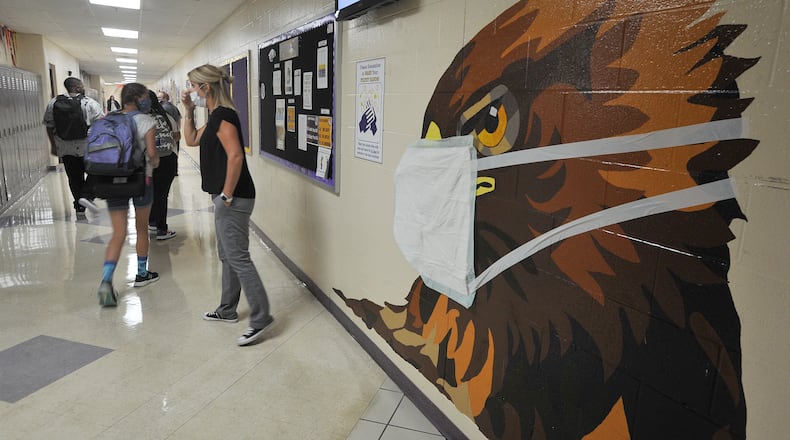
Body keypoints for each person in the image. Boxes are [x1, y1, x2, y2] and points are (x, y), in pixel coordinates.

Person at [181, 64, 273, 346]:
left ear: (206, 87)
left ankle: (261, 318)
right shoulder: (214, 116)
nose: (191, 91)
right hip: (226, 196)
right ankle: (227, 309)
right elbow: (191, 139)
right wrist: (188, 111)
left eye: (193, 86)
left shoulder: (224, 116)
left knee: (239, 258)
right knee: (227, 255)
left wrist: (227, 196)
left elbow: (235, 157)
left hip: (233, 197)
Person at [96, 82, 161, 306]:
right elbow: (152, 154)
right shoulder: (146, 121)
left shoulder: (108, 119)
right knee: (142, 229)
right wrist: (155, 162)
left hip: (113, 181)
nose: (148, 100)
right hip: (141, 180)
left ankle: (106, 281)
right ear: (137, 98)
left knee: (118, 233)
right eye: (145, 96)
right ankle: (141, 274)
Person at [43, 77, 103, 219]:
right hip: (88, 147)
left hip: (65, 148)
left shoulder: (53, 103)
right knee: (97, 173)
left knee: (74, 178)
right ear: (77, 88)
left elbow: (49, 126)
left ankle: (80, 207)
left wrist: (53, 146)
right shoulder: (89, 103)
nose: (83, 87)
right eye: (81, 85)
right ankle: (86, 197)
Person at [147, 90, 179, 240]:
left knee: (150, 193)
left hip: (145, 161)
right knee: (162, 195)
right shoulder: (166, 117)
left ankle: (152, 221)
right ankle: (162, 229)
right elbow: (177, 136)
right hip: (167, 160)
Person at [157, 91, 182, 176]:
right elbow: (179, 119)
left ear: (165, 98)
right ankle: (175, 171)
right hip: (176, 133)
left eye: (159, 98)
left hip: (167, 135)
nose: (158, 100)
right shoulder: (174, 107)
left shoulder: (162, 109)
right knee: (175, 153)